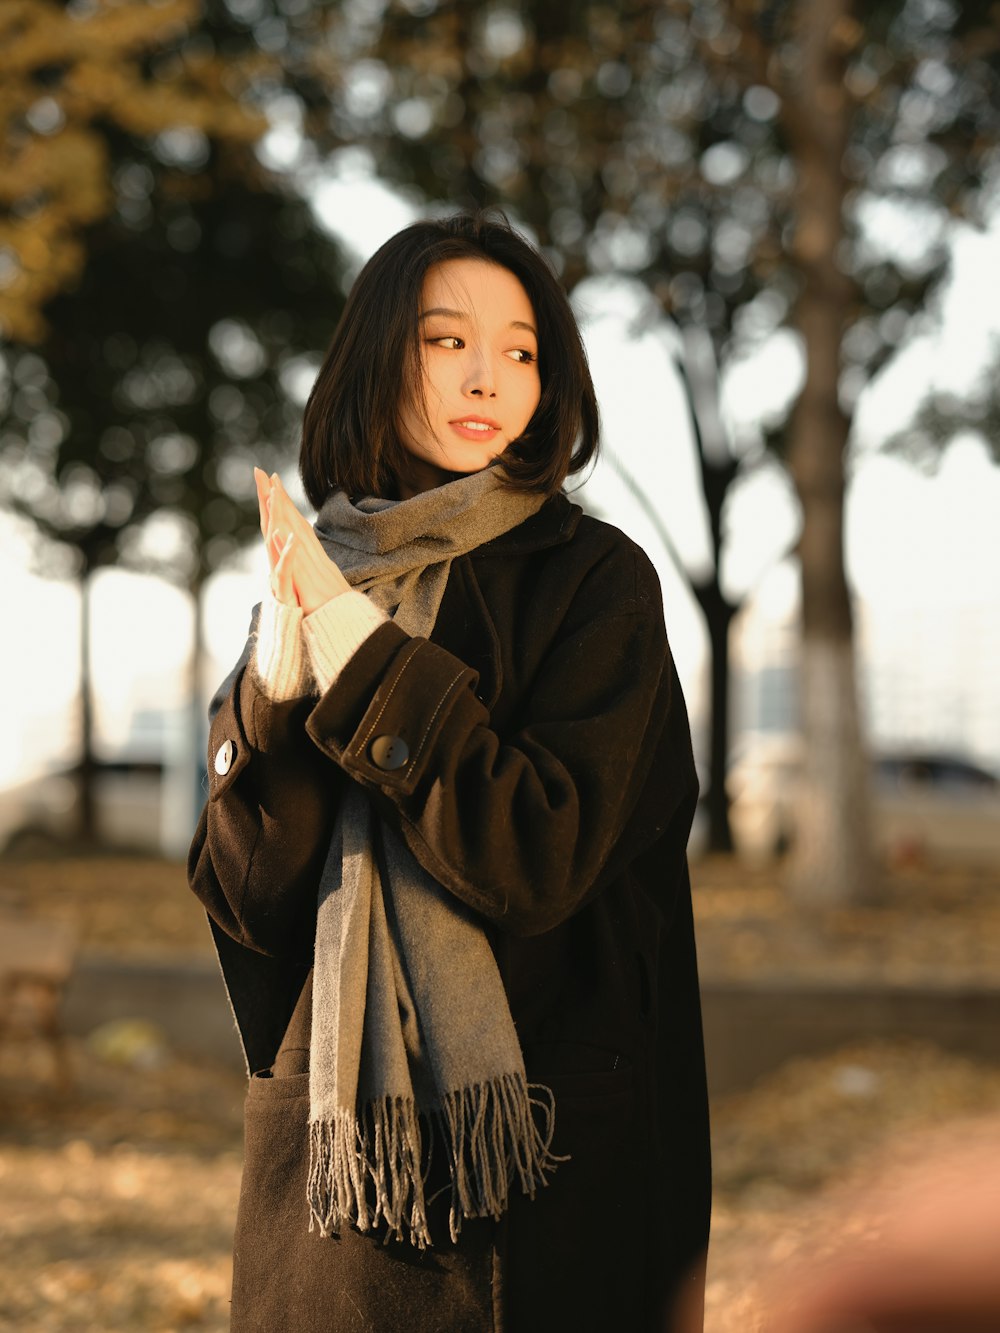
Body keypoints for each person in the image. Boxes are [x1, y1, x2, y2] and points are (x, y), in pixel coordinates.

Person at [188, 211, 710, 1333]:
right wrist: (275, 690)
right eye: (444, 341)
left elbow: (536, 856)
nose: (489, 376)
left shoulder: (593, 582)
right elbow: (246, 906)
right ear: (377, 359)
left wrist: (361, 658)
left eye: (521, 350)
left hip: (545, 1177)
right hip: (333, 1190)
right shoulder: (318, 574)